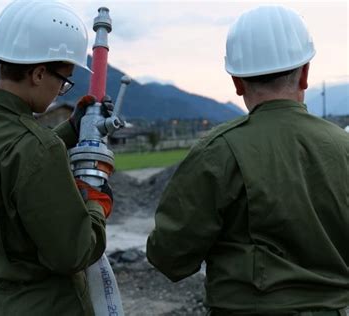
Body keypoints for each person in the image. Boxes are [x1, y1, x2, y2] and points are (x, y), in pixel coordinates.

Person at [147, 5, 348, 315]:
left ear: (237, 82)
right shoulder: (343, 146)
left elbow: (169, 256)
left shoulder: (217, 152)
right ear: (305, 74)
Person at [0, 1, 114, 315]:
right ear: (39, 73)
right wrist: (96, 204)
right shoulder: (36, 149)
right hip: (49, 305)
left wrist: (71, 128)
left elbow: (16, 160)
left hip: (1, 301)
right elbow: (75, 253)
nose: (61, 91)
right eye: (64, 81)